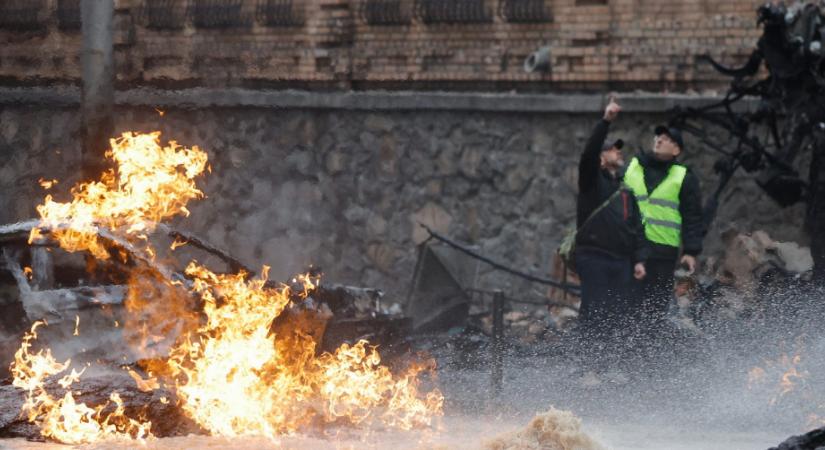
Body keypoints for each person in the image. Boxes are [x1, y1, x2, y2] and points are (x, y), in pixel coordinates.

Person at [574, 96, 648, 339]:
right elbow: (588, 153)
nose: (618, 151)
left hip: (621, 261)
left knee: (619, 317)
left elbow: (635, 226)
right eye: (611, 149)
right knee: (595, 315)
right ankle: (589, 369)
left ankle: (611, 368)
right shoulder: (591, 181)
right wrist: (606, 121)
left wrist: (638, 259)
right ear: (601, 158)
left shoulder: (625, 190)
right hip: (594, 258)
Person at [622, 123, 704, 329]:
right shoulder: (633, 167)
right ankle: (623, 353)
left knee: (655, 308)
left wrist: (691, 250)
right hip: (629, 248)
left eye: (667, 139)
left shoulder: (683, 176)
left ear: (677, 150)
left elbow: (692, 215)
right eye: (658, 136)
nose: (659, 140)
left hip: (662, 252)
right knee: (626, 304)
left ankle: (650, 353)